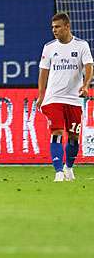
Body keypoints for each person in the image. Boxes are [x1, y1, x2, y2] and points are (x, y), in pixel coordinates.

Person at [37, 13, 93, 182]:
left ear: (67, 27)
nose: (54, 30)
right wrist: (41, 95)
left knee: (74, 138)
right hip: (53, 98)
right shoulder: (49, 47)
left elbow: (89, 66)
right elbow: (43, 73)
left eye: (58, 26)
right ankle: (58, 171)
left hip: (74, 99)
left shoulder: (81, 46)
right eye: (53, 27)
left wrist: (85, 85)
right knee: (57, 132)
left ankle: (69, 168)